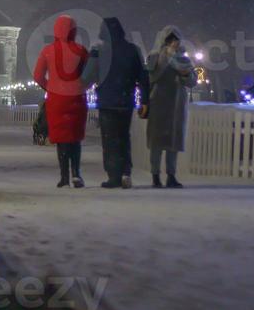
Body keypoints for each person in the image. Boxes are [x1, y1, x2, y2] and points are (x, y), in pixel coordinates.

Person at [83, 17, 150, 188]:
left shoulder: (99, 51)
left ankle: (113, 175)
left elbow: (87, 78)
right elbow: (143, 77)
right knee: (123, 137)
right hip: (125, 101)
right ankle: (126, 172)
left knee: (110, 139)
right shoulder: (133, 50)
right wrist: (144, 100)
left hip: (107, 102)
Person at [33, 14, 89, 187]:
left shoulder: (48, 51)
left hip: (57, 100)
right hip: (76, 99)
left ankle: (64, 176)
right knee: (75, 137)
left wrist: (51, 87)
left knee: (61, 138)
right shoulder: (81, 51)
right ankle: (76, 174)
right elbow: (88, 76)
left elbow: (38, 76)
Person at [146, 25, 197, 187]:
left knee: (173, 142)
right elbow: (150, 77)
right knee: (156, 142)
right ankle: (155, 175)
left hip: (176, 103)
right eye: (170, 40)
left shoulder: (184, 59)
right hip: (159, 102)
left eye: (176, 40)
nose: (173, 43)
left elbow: (192, 82)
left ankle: (171, 175)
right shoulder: (155, 57)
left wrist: (186, 74)